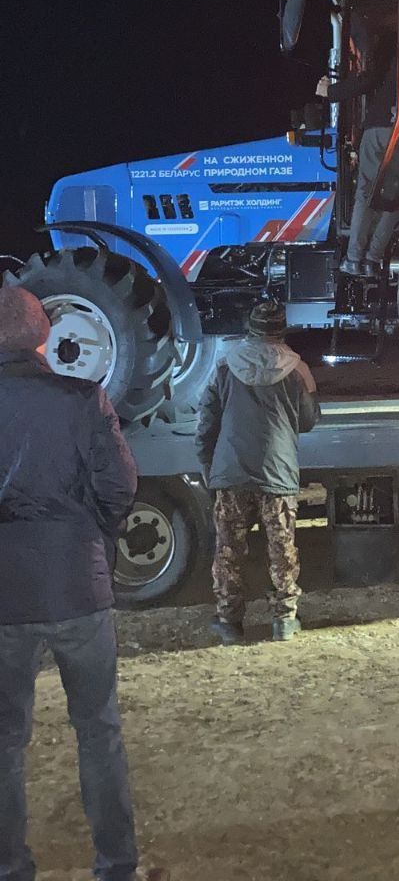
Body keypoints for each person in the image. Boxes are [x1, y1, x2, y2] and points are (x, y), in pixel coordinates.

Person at [0, 285, 167, 881]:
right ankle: (116, 866)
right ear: (43, 337)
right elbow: (119, 487)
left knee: (4, 746)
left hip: (4, 598)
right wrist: (87, 536)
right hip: (77, 584)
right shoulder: (82, 400)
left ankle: (11, 868)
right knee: (98, 732)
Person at [197, 299, 320, 644]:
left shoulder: (224, 366)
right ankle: (284, 620)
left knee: (228, 551)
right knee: (282, 550)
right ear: (281, 329)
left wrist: (209, 467)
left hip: (230, 472)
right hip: (277, 474)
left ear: (250, 328)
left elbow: (206, 424)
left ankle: (229, 623)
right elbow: (308, 421)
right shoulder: (298, 369)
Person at [317, 31, 399, 277]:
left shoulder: (393, 39)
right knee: (395, 199)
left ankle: (354, 258)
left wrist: (330, 91)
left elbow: (369, 79)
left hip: (381, 126)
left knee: (366, 192)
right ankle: (372, 258)